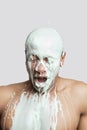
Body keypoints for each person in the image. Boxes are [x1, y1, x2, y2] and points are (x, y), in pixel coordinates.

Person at [0, 27, 87, 130]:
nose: (40, 68)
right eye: (33, 59)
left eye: (48, 60)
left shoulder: (81, 96)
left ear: (62, 59)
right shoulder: (3, 97)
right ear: (25, 57)